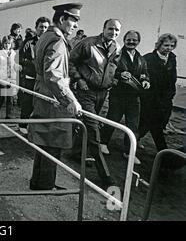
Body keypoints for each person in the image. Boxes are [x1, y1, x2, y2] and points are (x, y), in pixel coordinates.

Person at [27, 3, 82, 191]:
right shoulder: (58, 41)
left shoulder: (46, 35)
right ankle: (45, 184)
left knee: (44, 139)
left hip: (43, 92)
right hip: (53, 97)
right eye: (73, 20)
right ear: (61, 20)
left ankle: (39, 181)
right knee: (54, 140)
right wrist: (70, 100)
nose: (75, 25)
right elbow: (53, 75)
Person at [69, 18, 122, 188]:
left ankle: (76, 152)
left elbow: (114, 67)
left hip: (102, 93)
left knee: (87, 123)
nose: (113, 32)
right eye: (110, 29)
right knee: (94, 130)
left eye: (116, 30)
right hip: (86, 92)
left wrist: (112, 81)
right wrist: (78, 79)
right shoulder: (88, 43)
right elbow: (70, 61)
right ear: (103, 28)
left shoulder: (117, 47)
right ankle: (105, 175)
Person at [100, 30, 150, 165]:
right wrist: (120, 74)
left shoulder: (141, 58)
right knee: (113, 119)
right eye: (129, 39)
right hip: (118, 95)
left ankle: (129, 152)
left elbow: (144, 73)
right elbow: (110, 71)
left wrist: (146, 81)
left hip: (134, 97)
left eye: (134, 40)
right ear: (124, 40)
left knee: (133, 124)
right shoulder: (117, 54)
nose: (131, 42)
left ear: (138, 42)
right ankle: (103, 142)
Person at [138, 33, 177, 153]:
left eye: (171, 45)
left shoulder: (172, 58)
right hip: (150, 97)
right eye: (166, 45)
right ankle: (163, 152)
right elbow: (143, 76)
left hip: (165, 98)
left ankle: (134, 139)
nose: (169, 48)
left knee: (151, 123)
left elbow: (172, 78)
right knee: (154, 124)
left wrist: (170, 94)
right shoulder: (148, 58)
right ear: (159, 45)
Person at [18, 17, 51, 134]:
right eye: (41, 27)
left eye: (46, 27)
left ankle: (37, 126)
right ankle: (23, 124)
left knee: (41, 103)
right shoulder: (29, 43)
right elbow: (20, 58)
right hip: (30, 77)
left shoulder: (50, 42)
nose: (43, 29)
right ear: (36, 28)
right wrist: (31, 64)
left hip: (44, 79)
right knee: (27, 102)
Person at [0, 35, 21, 119]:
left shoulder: (14, 54)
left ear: (11, 44)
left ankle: (9, 115)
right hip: (2, 78)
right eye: (5, 43)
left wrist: (17, 67)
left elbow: (15, 65)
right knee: (2, 97)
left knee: (10, 97)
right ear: (3, 44)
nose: (7, 45)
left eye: (9, 43)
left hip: (11, 78)